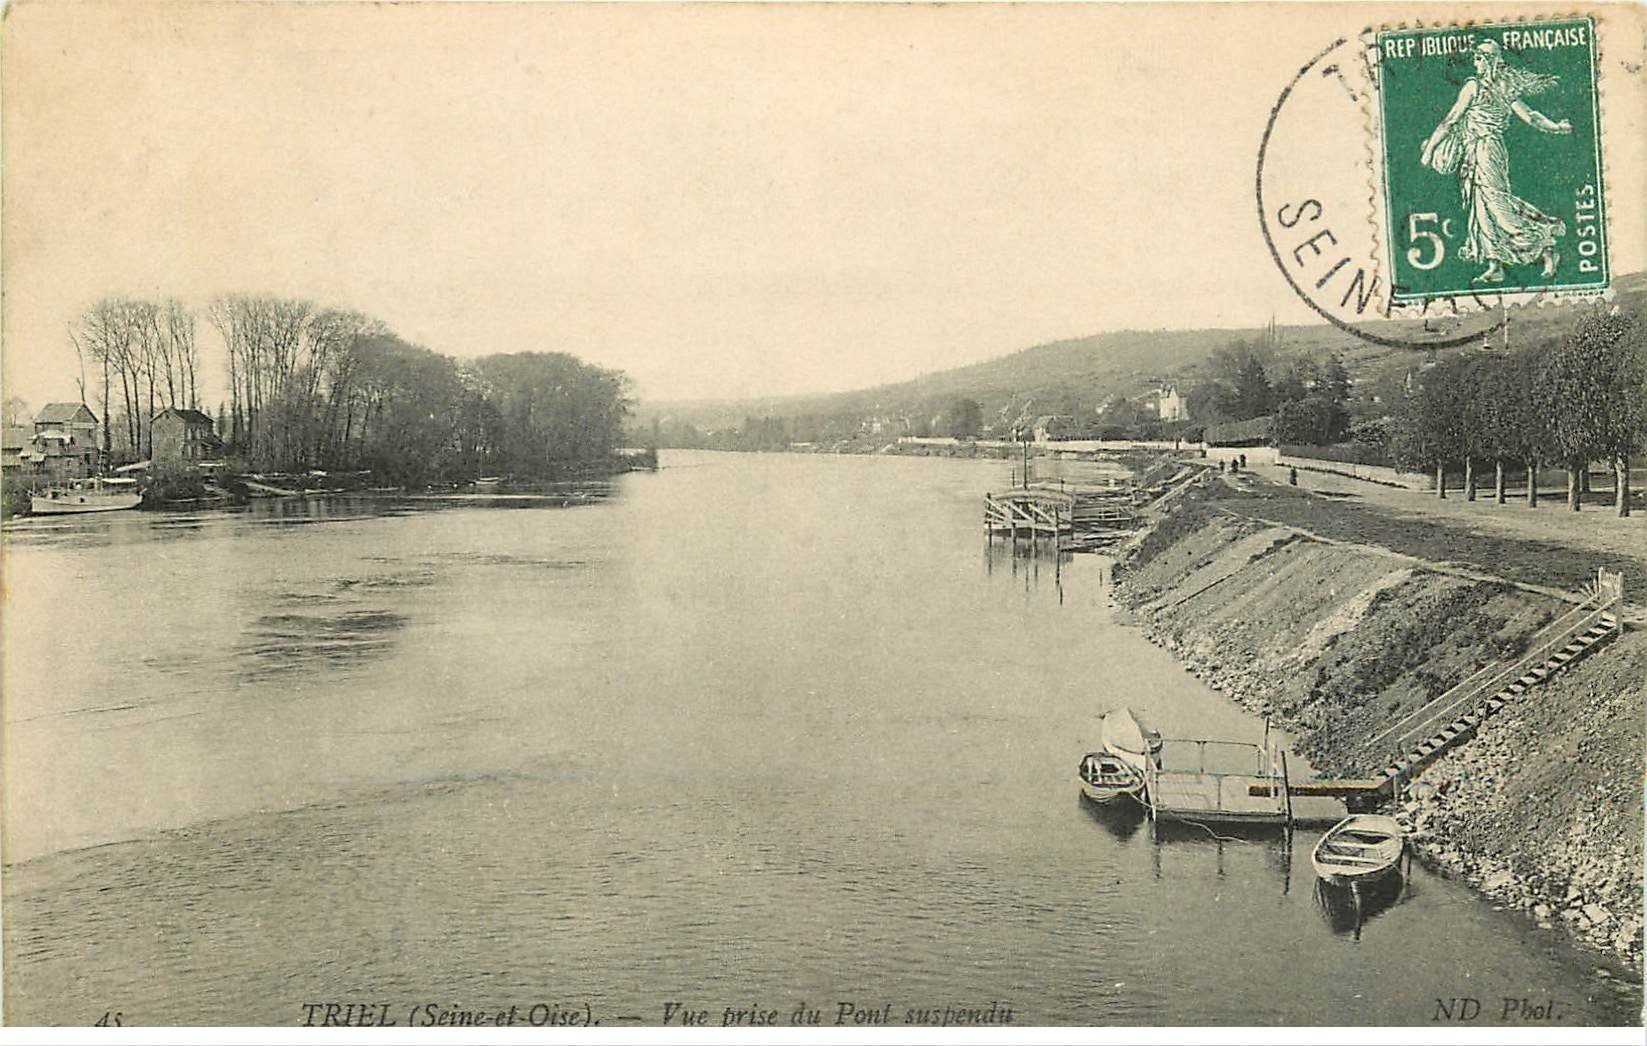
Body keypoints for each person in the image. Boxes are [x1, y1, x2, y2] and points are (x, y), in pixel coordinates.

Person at [1420, 40, 1572, 285]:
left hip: (1487, 150)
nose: (1476, 62)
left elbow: (1451, 120)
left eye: (1480, 58)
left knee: (1497, 205)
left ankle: (1545, 246)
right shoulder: (1495, 87)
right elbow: (1530, 117)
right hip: (1476, 150)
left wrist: (1429, 150)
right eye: (1476, 58)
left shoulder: (1481, 87)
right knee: (1480, 208)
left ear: (1491, 61)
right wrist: (1556, 127)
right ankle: (1495, 264)